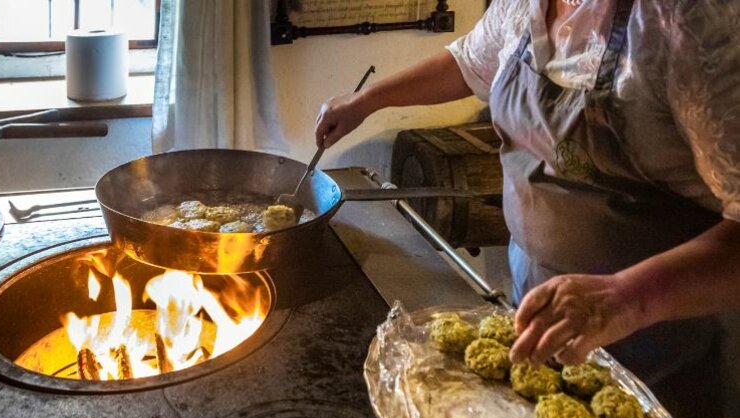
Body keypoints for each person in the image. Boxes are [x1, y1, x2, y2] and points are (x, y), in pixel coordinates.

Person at [315, 0, 740, 382]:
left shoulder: (692, 22)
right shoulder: (527, 5)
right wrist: (367, 101)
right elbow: (469, 64)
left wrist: (628, 299)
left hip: (662, 340)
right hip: (537, 300)